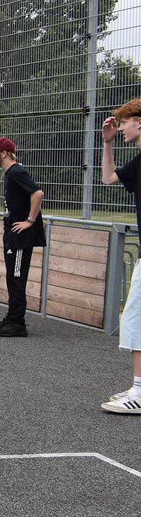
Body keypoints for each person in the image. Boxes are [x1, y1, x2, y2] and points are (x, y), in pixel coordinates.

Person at [98, 100, 141, 415]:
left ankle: (139, 392)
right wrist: (107, 144)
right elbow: (108, 178)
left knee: (135, 320)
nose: (121, 127)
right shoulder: (138, 162)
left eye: (124, 123)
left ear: (139, 123)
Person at [0, 137, 45, 338]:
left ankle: (18, 324)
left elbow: (38, 194)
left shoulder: (16, 171)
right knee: (12, 277)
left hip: (20, 237)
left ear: (4, 153)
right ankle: (11, 318)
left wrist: (29, 221)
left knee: (17, 279)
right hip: (11, 234)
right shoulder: (10, 173)